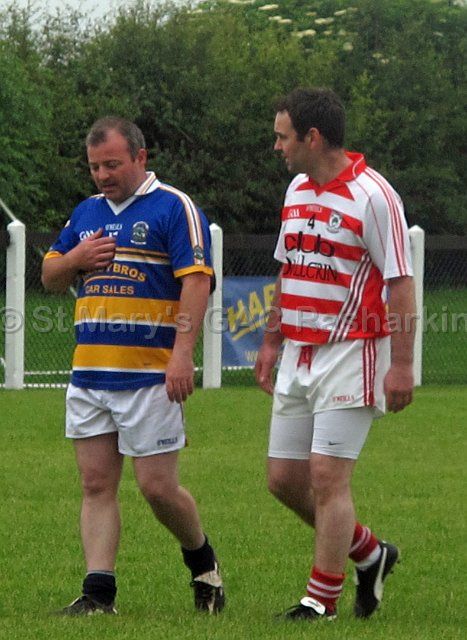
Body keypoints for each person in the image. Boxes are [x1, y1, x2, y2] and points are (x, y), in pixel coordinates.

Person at [42, 116, 225, 616]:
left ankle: (203, 562)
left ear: (140, 158)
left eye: (112, 164)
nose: (102, 175)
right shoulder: (86, 213)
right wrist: (77, 257)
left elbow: (196, 281)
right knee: (95, 484)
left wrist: (182, 354)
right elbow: (50, 276)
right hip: (90, 374)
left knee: (157, 488)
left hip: (149, 375)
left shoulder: (174, 206)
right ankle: (99, 594)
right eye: (94, 167)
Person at [255, 88, 416, 621]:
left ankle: (319, 602)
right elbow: (289, 268)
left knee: (326, 476)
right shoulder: (296, 188)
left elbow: (400, 282)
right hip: (298, 351)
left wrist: (402, 365)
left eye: (283, 136)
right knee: (283, 480)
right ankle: (370, 553)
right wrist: (272, 340)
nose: (277, 146)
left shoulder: (375, 196)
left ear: (312, 137)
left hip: (353, 352)